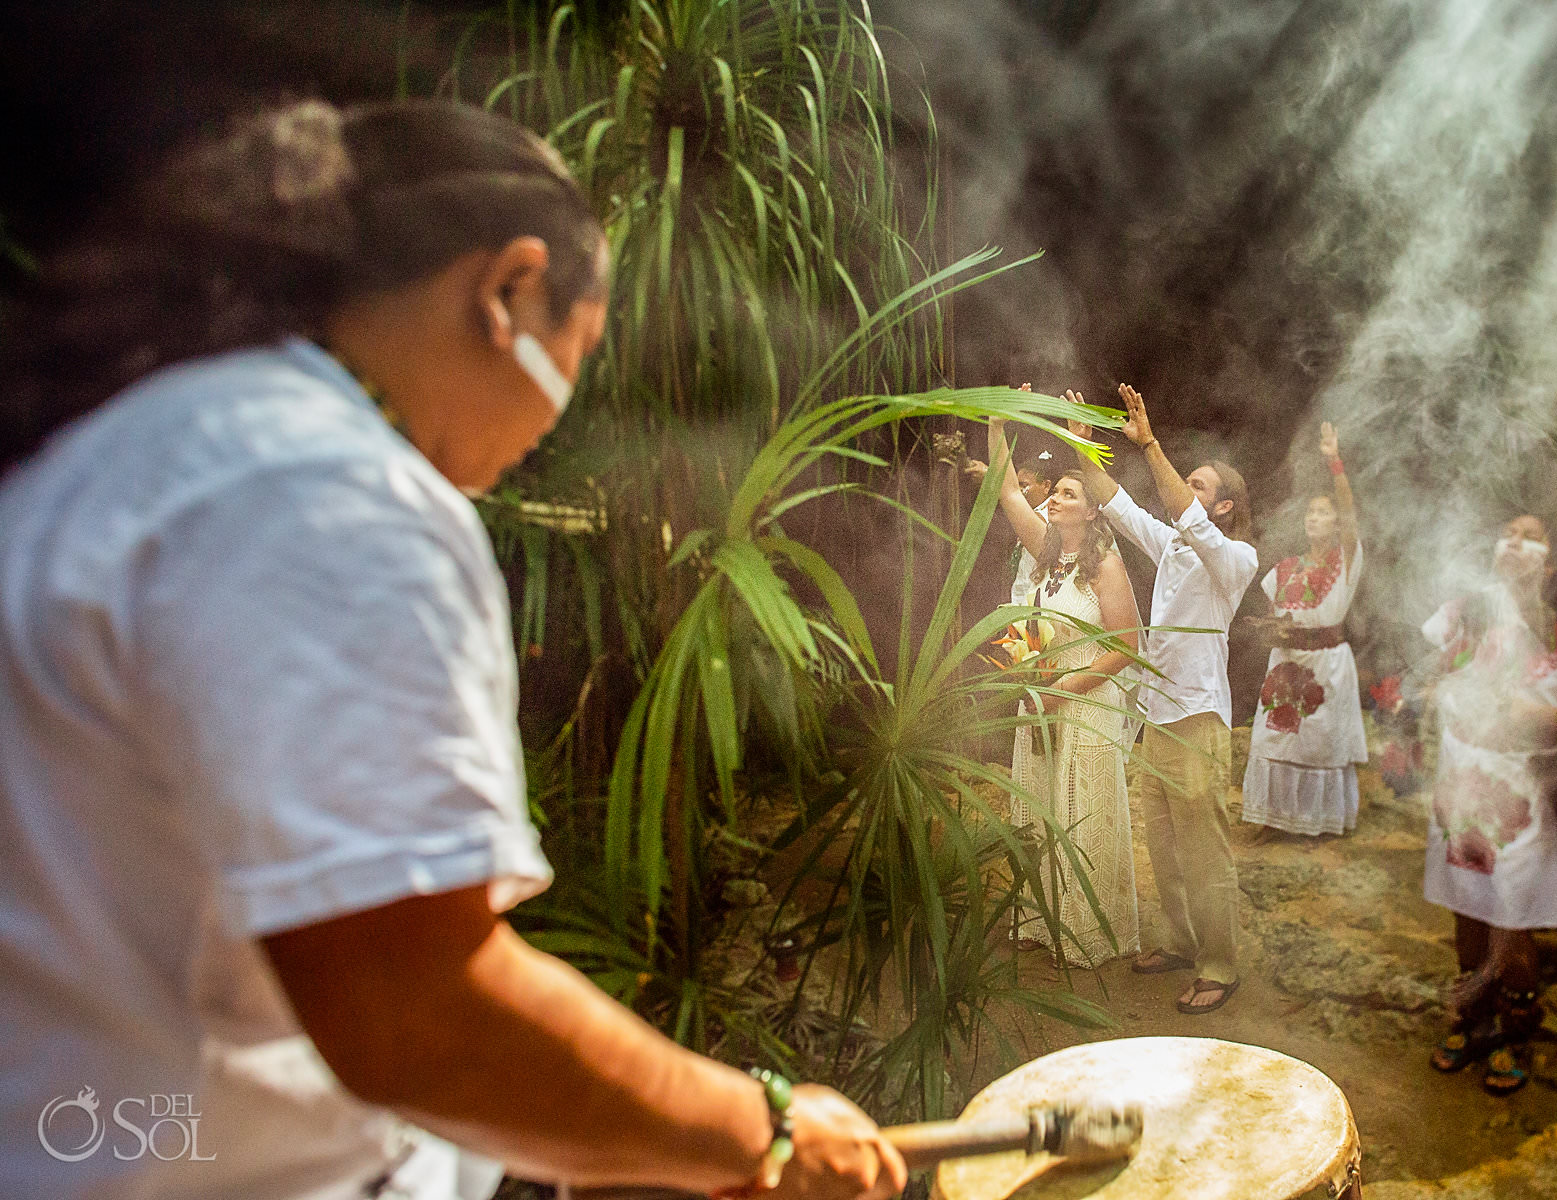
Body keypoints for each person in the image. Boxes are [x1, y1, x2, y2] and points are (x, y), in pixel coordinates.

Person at [0, 99, 905, 1200]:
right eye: (580, 354)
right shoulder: (333, 500)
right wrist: (756, 1130)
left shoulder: (139, 450)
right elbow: (415, 1014)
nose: (552, 423)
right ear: (510, 289)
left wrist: (601, 1133)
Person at [1069, 385, 1259, 1015]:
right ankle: (1181, 944)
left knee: (1205, 850)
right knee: (1166, 846)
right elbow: (1118, 506)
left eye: (1200, 485)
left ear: (1224, 505)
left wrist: (1149, 444)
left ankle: (1219, 966)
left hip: (1199, 719)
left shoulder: (1234, 558)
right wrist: (1081, 441)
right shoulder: (1173, 548)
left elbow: (1187, 517)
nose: (1186, 491)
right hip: (1157, 716)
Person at [1421, 516, 1557, 1096]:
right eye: (1507, 532)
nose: (1515, 541)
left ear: (1553, 561)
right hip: (1462, 775)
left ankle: (1514, 1031)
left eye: (1533, 535)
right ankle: (1472, 1016)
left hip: (1530, 787)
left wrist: (1534, 716)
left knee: (1514, 914)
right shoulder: (1467, 610)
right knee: (1467, 904)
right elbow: (1433, 675)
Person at [986, 416, 1141, 969]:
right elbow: (1005, 489)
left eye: (1069, 493)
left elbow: (1127, 645)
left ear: (1093, 509)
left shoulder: (1104, 565)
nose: (1053, 498)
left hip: (1087, 702)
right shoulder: (1047, 556)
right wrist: (998, 421)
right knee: (1039, 807)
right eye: (1052, 491)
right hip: (1040, 703)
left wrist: (1064, 689)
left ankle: (1086, 932)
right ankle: (1039, 919)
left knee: (1082, 810)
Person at [1240, 422, 1368, 840]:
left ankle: (1317, 824)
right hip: (1286, 662)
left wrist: (1335, 462)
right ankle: (1270, 819)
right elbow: (1274, 613)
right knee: (1274, 738)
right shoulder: (1286, 569)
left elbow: (1350, 513)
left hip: (1326, 664)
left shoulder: (1346, 561)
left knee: (1318, 742)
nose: (1316, 518)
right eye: (1311, 512)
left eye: (1324, 513)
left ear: (1336, 524)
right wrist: (1267, 629)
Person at [965, 456, 1054, 605]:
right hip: (1019, 602)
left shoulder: (1052, 514)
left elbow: (1037, 526)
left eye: (1023, 485)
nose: (1019, 490)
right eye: (1016, 485)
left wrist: (992, 477)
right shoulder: (1028, 512)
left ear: (1046, 486)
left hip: (1035, 608)